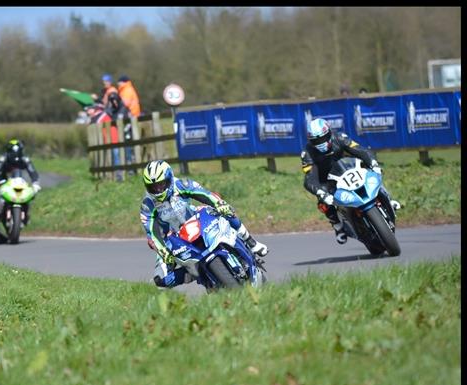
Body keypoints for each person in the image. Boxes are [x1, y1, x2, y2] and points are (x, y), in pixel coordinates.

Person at [140, 160, 269, 288]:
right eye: (153, 187)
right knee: (160, 281)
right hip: (171, 239)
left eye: (161, 184)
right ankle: (195, 274)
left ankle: (251, 242)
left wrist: (219, 204)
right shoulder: (148, 204)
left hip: (195, 220)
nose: (158, 190)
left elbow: (204, 193)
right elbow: (151, 232)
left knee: (226, 211)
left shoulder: (181, 184)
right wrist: (162, 250)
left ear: (169, 178)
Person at [301, 118, 401, 244]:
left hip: (349, 169)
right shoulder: (307, 153)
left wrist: (373, 163)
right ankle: (338, 226)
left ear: (329, 133)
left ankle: (388, 199)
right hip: (328, 180)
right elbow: (310, 178)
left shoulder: (340, 138)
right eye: (316, 140)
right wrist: (321, 193)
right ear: (311, 141)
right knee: (323, 202)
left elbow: (360, 150)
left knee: (372, 171)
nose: (320, 142)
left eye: (322, 138)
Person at [0, 139, 41, 223]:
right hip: (3, 179)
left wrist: (35, 183)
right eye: (12, 152)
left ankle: (26, 214)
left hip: (18, 181)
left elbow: (33, 172)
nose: (15, 156)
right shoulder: (2, 158)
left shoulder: (25, 159)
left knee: (30, 194)